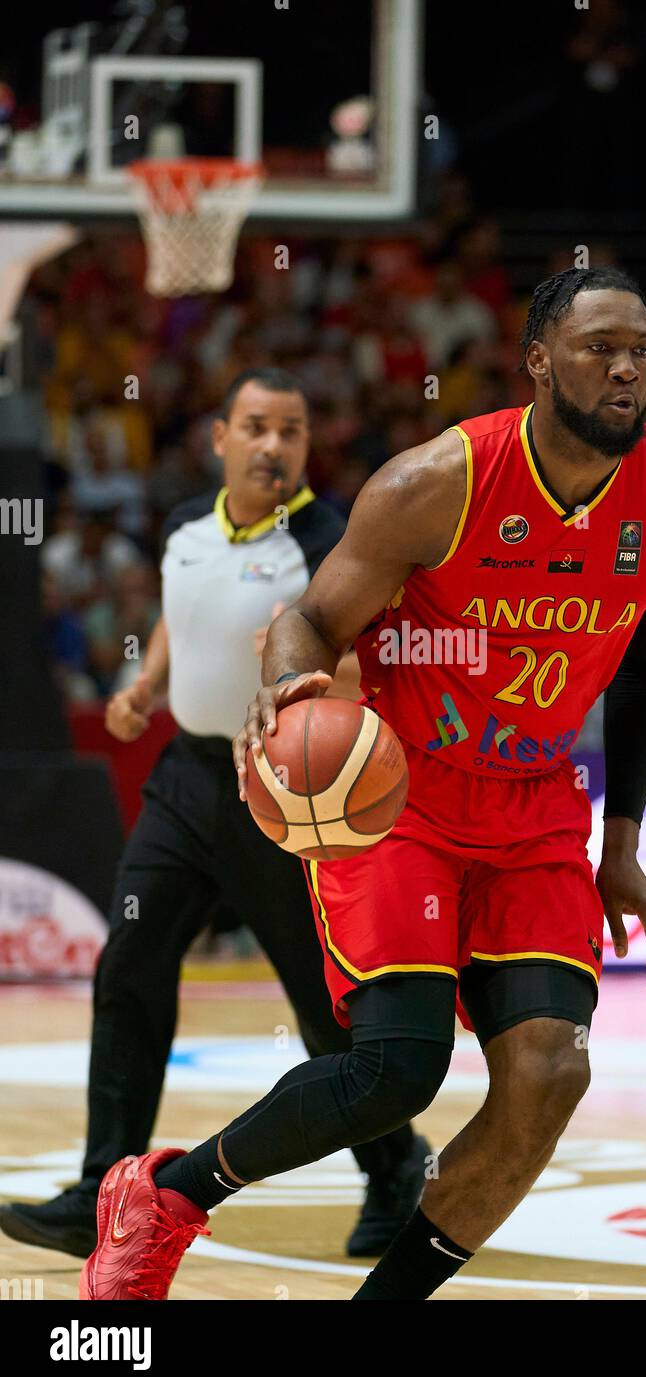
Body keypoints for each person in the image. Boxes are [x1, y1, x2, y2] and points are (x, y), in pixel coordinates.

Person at [79, 267, 646, 1302]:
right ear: (538, 362)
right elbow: (312, 622)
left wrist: (623, 843)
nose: (625, 366)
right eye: (599, 345)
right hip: (403, 799)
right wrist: (289, 688)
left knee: (549, 1076)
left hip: (534, 808)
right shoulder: (438, 482)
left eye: (640, 348)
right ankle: (164, 1195)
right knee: (396, 1070)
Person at [0, 368, 426, 1265]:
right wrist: (146, 682)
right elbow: (175, 612)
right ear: (222, 438)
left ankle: (394, 1171)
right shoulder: (186, 522)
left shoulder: (329, 536)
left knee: (324, 1007)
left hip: (285, 795)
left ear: (308, 447)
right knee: (131, 964)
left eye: (294, 430)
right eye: (258, 427)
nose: (275, 445)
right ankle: (100, 1187)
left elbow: (354, 660)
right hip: (186, 776)